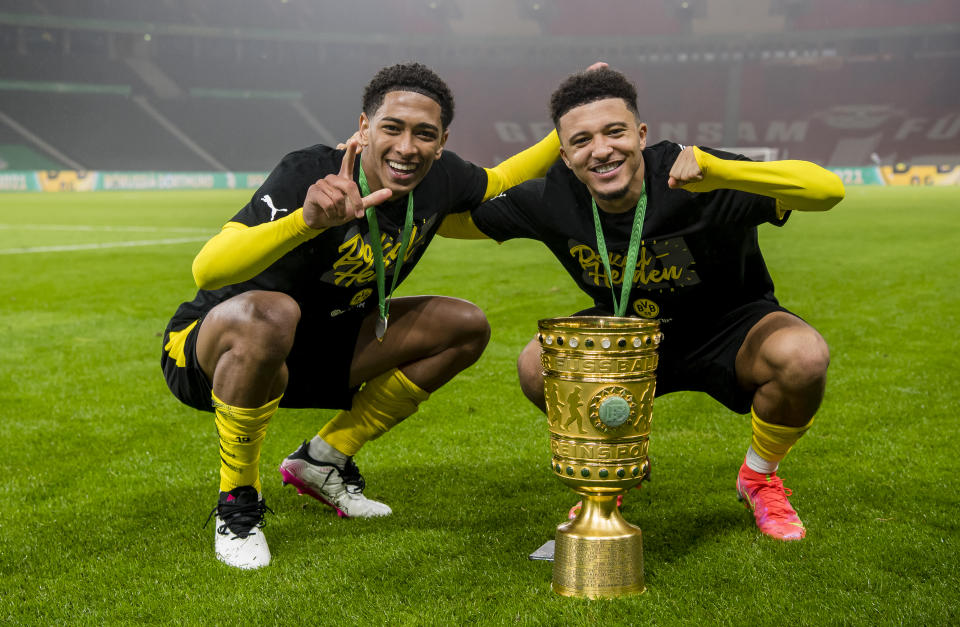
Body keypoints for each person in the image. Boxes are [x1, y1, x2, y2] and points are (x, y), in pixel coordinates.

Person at [161, 62, 563, 569]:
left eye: (425, 134)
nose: (406, 146)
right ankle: (237, 503)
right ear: (364, 127)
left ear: (441, 143)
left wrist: (565, 129)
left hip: (317, 346)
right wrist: (304, 222)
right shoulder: (310, 172)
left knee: (464, 326)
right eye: (392, 128)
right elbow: (208, 269)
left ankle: (323, 460)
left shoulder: (441, 179)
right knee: (271, 313)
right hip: (216, 350)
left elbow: (501, 177)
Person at [443, 67, 845, 541]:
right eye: (582, 141)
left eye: (615, 132)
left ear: (641, 134)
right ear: (564, 153)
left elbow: (828, 191)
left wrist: (721, 171)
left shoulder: (698, 175)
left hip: (733, 327)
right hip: (628, 333)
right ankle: (617, 463)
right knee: (538, 363)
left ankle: (758, 477)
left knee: (803, 355)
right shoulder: (554, 193)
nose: (602, 149)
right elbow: (450, 221)